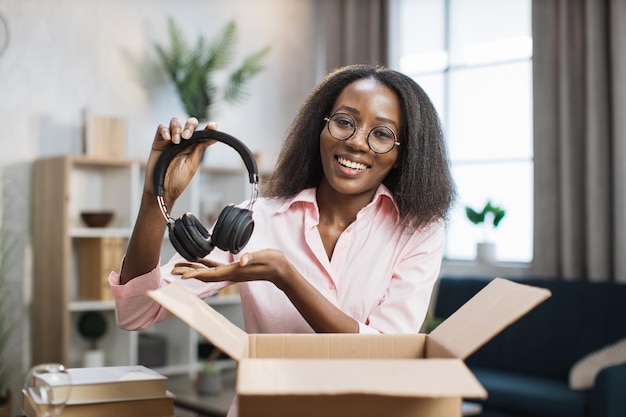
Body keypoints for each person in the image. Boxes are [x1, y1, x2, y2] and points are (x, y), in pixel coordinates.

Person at [110, 63, 455, 344]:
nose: (356, 143)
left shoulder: (418, 232)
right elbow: (136, 313)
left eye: (381, 133)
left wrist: (287, 277)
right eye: (344, 122)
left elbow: (387, 353)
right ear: (320, 129)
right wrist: (156, 197)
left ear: (402, 154)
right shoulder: (255, 221)